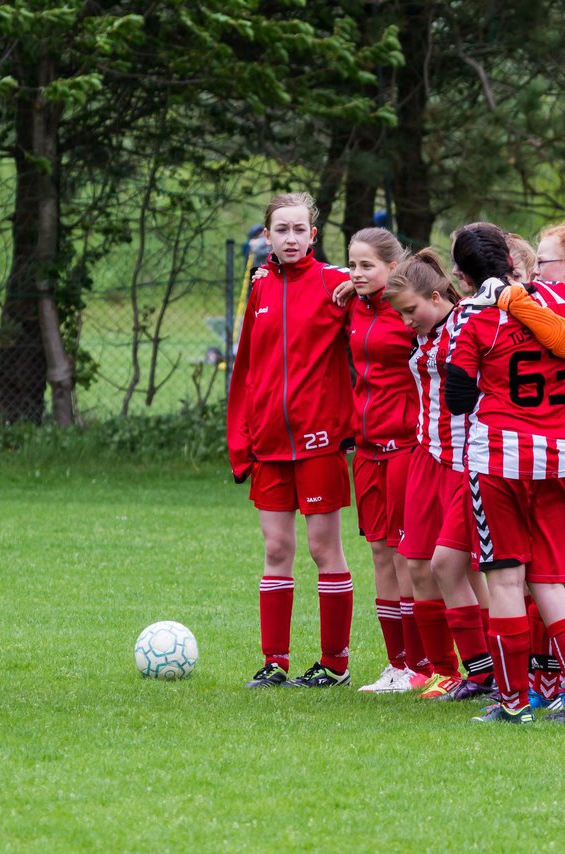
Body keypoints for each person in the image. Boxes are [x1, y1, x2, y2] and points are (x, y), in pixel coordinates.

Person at [444, 222, 565, 725]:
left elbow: (458, 399)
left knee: (507, 582)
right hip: (559, 460)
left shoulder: (469, 317)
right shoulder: (553, 297)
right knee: (553, 582)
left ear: (463, 277)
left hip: (500, 461)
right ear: (514, 263)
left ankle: (513, 703)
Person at [227, 192, 356, 689]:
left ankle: (335, 664)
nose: (291, 238)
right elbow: (246, 370)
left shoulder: (337, 284)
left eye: (299, 229)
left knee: (325, 551)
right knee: (276, 548)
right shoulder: (259, 288)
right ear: (267, 237)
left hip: (319, 441)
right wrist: (241, 440)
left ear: (313, 236)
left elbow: (384, 326)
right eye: (281, 230)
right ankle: (274, 662)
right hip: (268, 443)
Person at [383, 249, 498, 702]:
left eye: (411, 310)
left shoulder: (465, 325)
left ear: (436, 295)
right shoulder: (424, 331)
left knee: (456, 567)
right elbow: (380, 278)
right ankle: (444, 671)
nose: (407, 320)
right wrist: (354, 285)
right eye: (401, 314)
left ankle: (483, 669)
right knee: (416, 564)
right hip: (425, 456)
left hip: (464, 460)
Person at [342, 227, 425, 694]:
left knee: (407, 554)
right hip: (366, 449)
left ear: (394, 268)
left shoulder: (413, 311)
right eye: (351, 265)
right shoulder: (352, 305)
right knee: (379, 551)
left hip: (407, 448)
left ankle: (422, 663)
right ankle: (397, 664)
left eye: (366, 265)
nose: (356, 273)